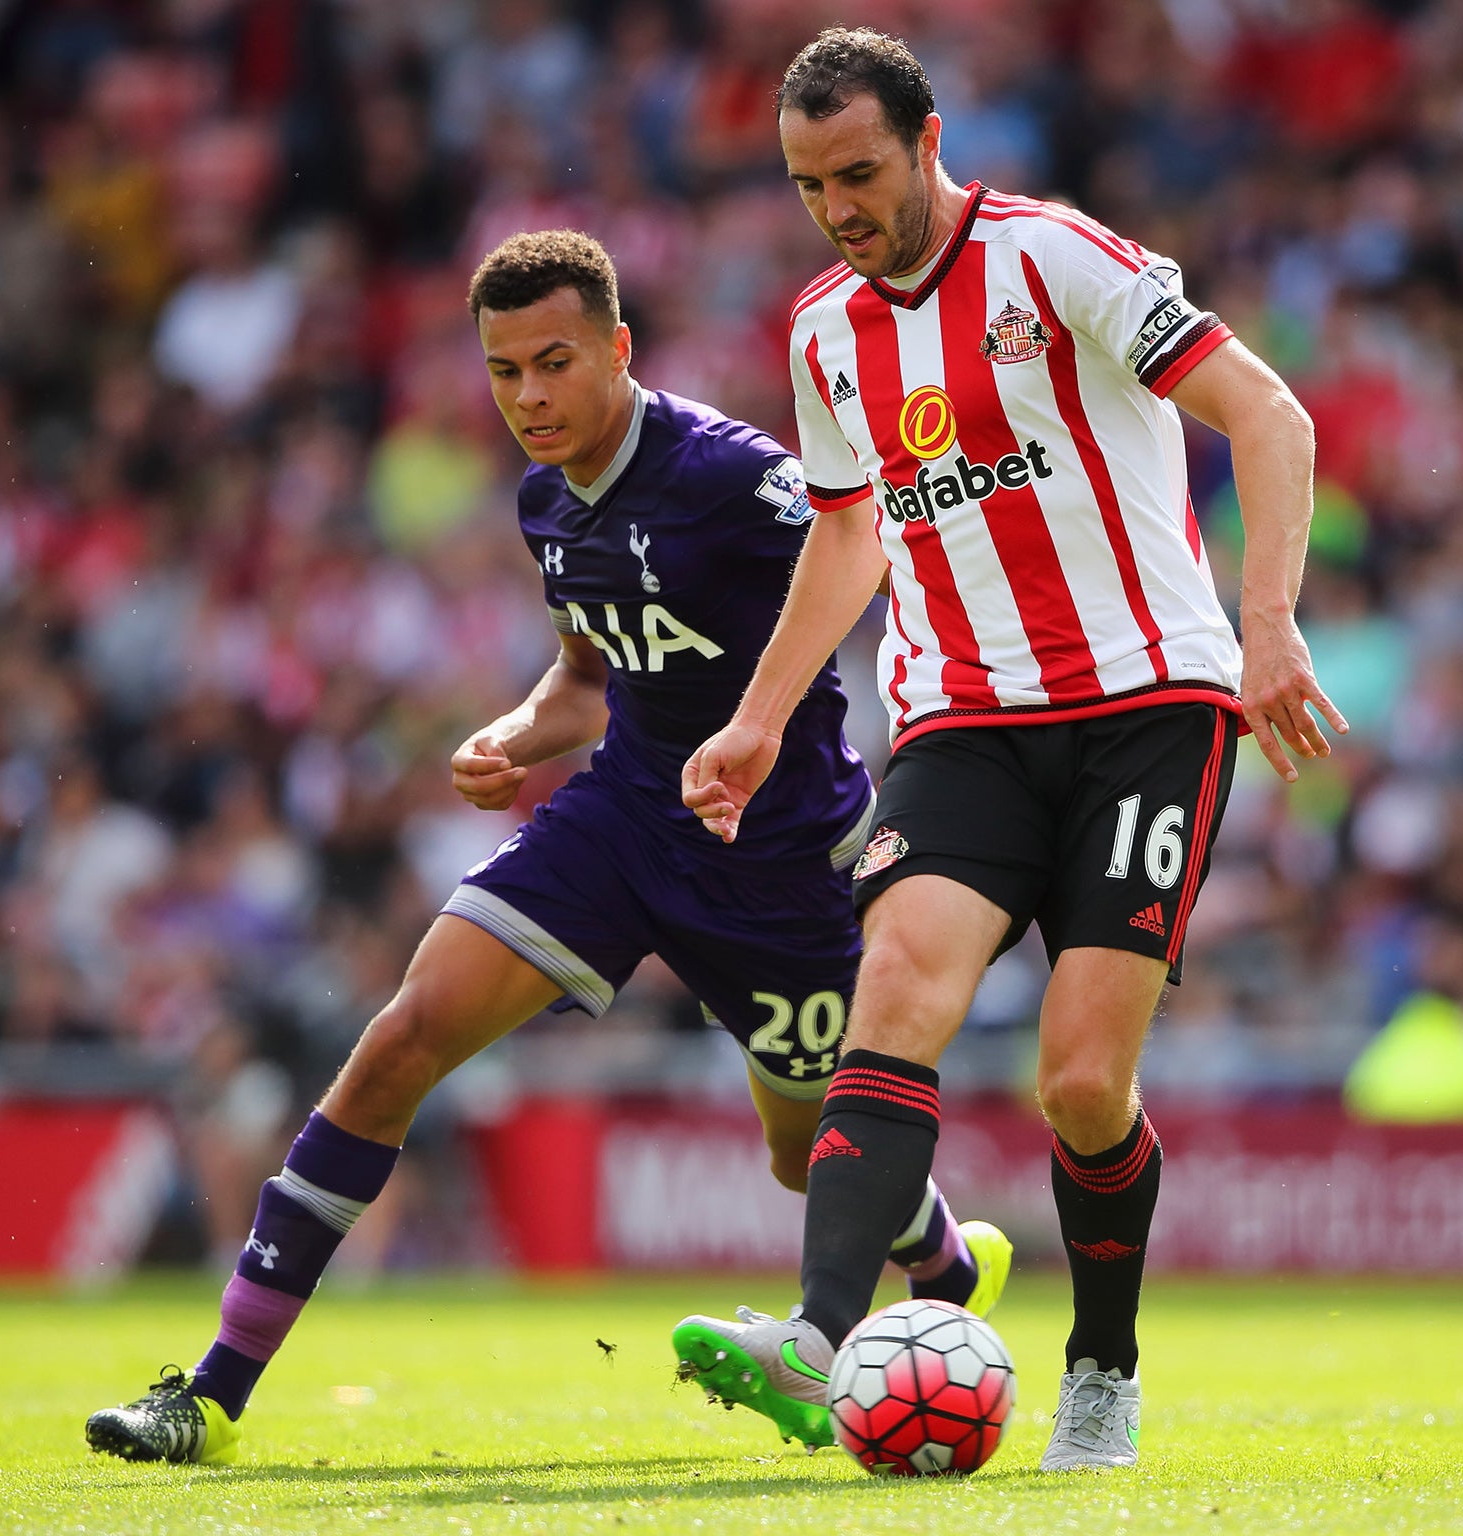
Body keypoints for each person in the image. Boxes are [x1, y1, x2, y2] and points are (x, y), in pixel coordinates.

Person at [85, 230, 1011, 1466]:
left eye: (553, 362)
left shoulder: (731, 476)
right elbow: (587, 679)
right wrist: (515, 735)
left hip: (781, 861)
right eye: (504, 369)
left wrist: (764, 719)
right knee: (402, 1037)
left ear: (619, 350)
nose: (527, 395)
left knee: (806, 1159)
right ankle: (208, 1395)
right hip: (621, 821)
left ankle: (940, 1261)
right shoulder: (544, 501)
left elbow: (869, 546)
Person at [669, 30, 1344, 1471]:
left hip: (1148, 705)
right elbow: (850, 534)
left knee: (1084, 1088)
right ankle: (818, 1334)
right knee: (895, 987)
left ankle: (1102, 1365)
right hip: (964, 715)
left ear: (927, 141)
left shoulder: (1055, 259)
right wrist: (759, 714)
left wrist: (1270, 625)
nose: (839, 207)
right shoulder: (821, 330)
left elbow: (1267, 414)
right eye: (807, 186)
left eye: (858, 172)